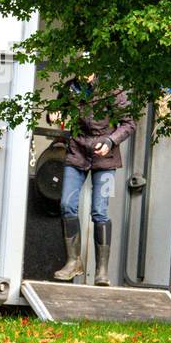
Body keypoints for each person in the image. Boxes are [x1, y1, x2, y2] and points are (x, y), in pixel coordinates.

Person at [48, 74, 136, 285]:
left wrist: (110, 140)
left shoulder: (112, 88)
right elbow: (56, 112)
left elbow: (129, 124)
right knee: (67, 205)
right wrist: (53, 114)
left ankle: (101, 271)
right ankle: (73, 262)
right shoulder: (70, 88)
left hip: (106, 157)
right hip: (77, 153)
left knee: (99, 211)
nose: (84, 73)